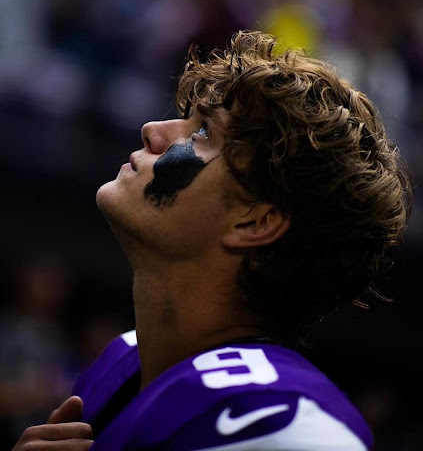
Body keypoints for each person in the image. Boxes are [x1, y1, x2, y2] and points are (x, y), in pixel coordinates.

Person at [13, 30, 412, 450]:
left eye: (204, 132)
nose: (152, 130)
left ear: (255, 222)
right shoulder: (123, 358)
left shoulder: (283, 423)